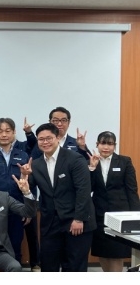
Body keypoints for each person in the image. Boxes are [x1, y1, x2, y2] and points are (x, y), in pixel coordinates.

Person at [24, 123, 96, 272]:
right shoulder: (36, 164)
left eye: (49, 138)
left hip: (75, 221)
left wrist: (79, 218)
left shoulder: (75, 159)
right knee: (48, 266)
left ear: (57, 137)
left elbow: (83, 190)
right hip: (50, 223)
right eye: (41, 139)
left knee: (74, 267)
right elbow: (29, 189)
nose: (45, 142)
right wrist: (24, 181)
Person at [0, 118, 34, 266]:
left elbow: (28, 184)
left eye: (8, 131)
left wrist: (27, 209)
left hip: (16, 208)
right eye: (0, 131)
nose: (4, 135)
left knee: (15, 246)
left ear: (14, 132)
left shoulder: (22, 155)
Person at [87, 131, 140, 272]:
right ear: (97, 144)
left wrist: (136, 215)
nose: (106, 147)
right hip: (99, 214)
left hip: (120, 215)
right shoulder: (91, 162)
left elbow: (132, 190)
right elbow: (88, 188)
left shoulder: (124, 161)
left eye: (110, 144)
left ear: (114, 146)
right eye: (103, 143)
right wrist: (91, 168)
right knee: (102, 252)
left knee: (117, 254)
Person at [26, 107, 90, 161]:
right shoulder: (43, 142)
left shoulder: (76, 143)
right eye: (56, 120)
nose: (59, 124)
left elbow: (88, 163)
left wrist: (82, 147)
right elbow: (34, 162)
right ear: (50, 122)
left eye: (63, 120)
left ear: (69, 123)